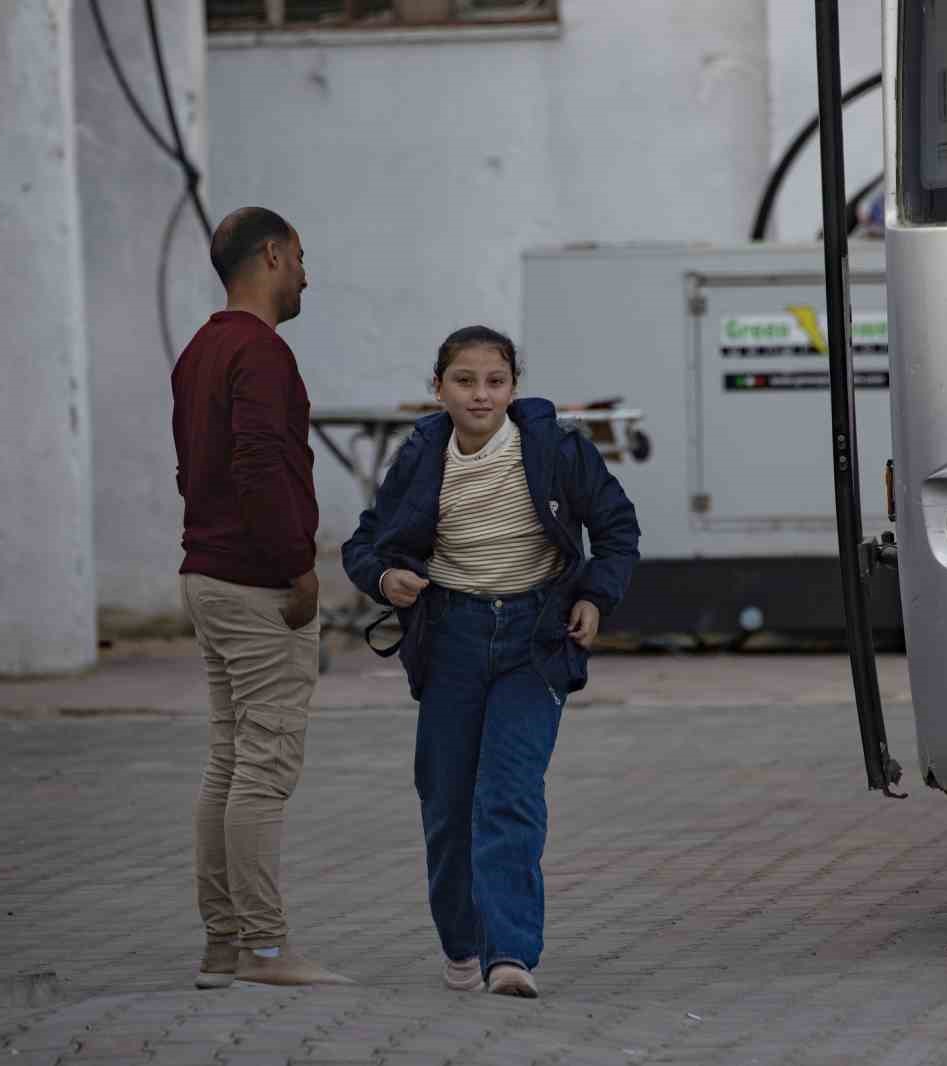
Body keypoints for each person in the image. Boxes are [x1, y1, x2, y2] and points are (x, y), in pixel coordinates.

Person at [343, 326, 640, 998]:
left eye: (496, 381)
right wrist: (386, 580)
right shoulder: (422, 455)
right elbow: (366, 542)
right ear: (439, 388)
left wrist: (596, 595)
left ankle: (509, 955)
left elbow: (618, 529)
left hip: (534, 642)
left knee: (508, 793)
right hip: (451, 637)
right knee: (447, 802)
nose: (481, 394)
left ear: (513, 387)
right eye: (464, 381)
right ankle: (462, 944)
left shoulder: (557, 450)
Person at [172, 206, 346, 988]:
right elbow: (259, 464)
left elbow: (193, 468)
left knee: (230, 762)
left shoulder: (199, 350)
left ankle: (224, 946)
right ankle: (266, 949)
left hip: (205, 574)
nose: (309, 275)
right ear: (271, 256)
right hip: (254, 584)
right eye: (302, 258)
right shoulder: (261, 352)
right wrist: (298, 566)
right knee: (264, 770)